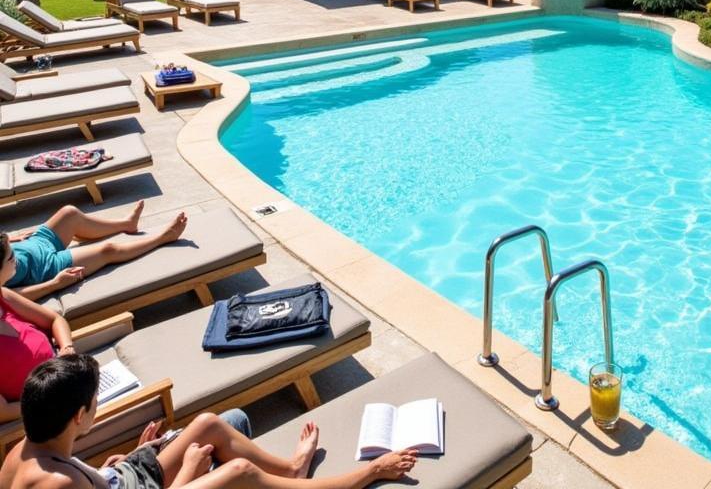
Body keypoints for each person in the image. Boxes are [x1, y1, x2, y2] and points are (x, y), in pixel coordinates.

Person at [0, 355, 417, 489]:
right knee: (240, 470)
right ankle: (366, 473)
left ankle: (292, 471)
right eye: (95, 401)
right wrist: (186, 473)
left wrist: (124, 458)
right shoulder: (59, 485)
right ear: (78, 416)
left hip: (124, 477)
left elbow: (79, 473)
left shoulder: (22, 452)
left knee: (209, 424)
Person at [6, 203, 187, 301]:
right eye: (10, 257)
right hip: (47, 268)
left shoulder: (7, 253)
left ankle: (126, 224)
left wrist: (11, 241)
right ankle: (163, 238)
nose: (14, 259)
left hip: (36, 243)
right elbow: (9, 297)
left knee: (70, 213)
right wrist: (55, 283)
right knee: (108, 250)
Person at [0, 232, 75, 423]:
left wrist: (67, 349)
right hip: (48, 414)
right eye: (11, 256)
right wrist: (52, 399)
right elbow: (4, 411)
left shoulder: (3, 296)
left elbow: (54, 320)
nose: (16, 258)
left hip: (65, 376)